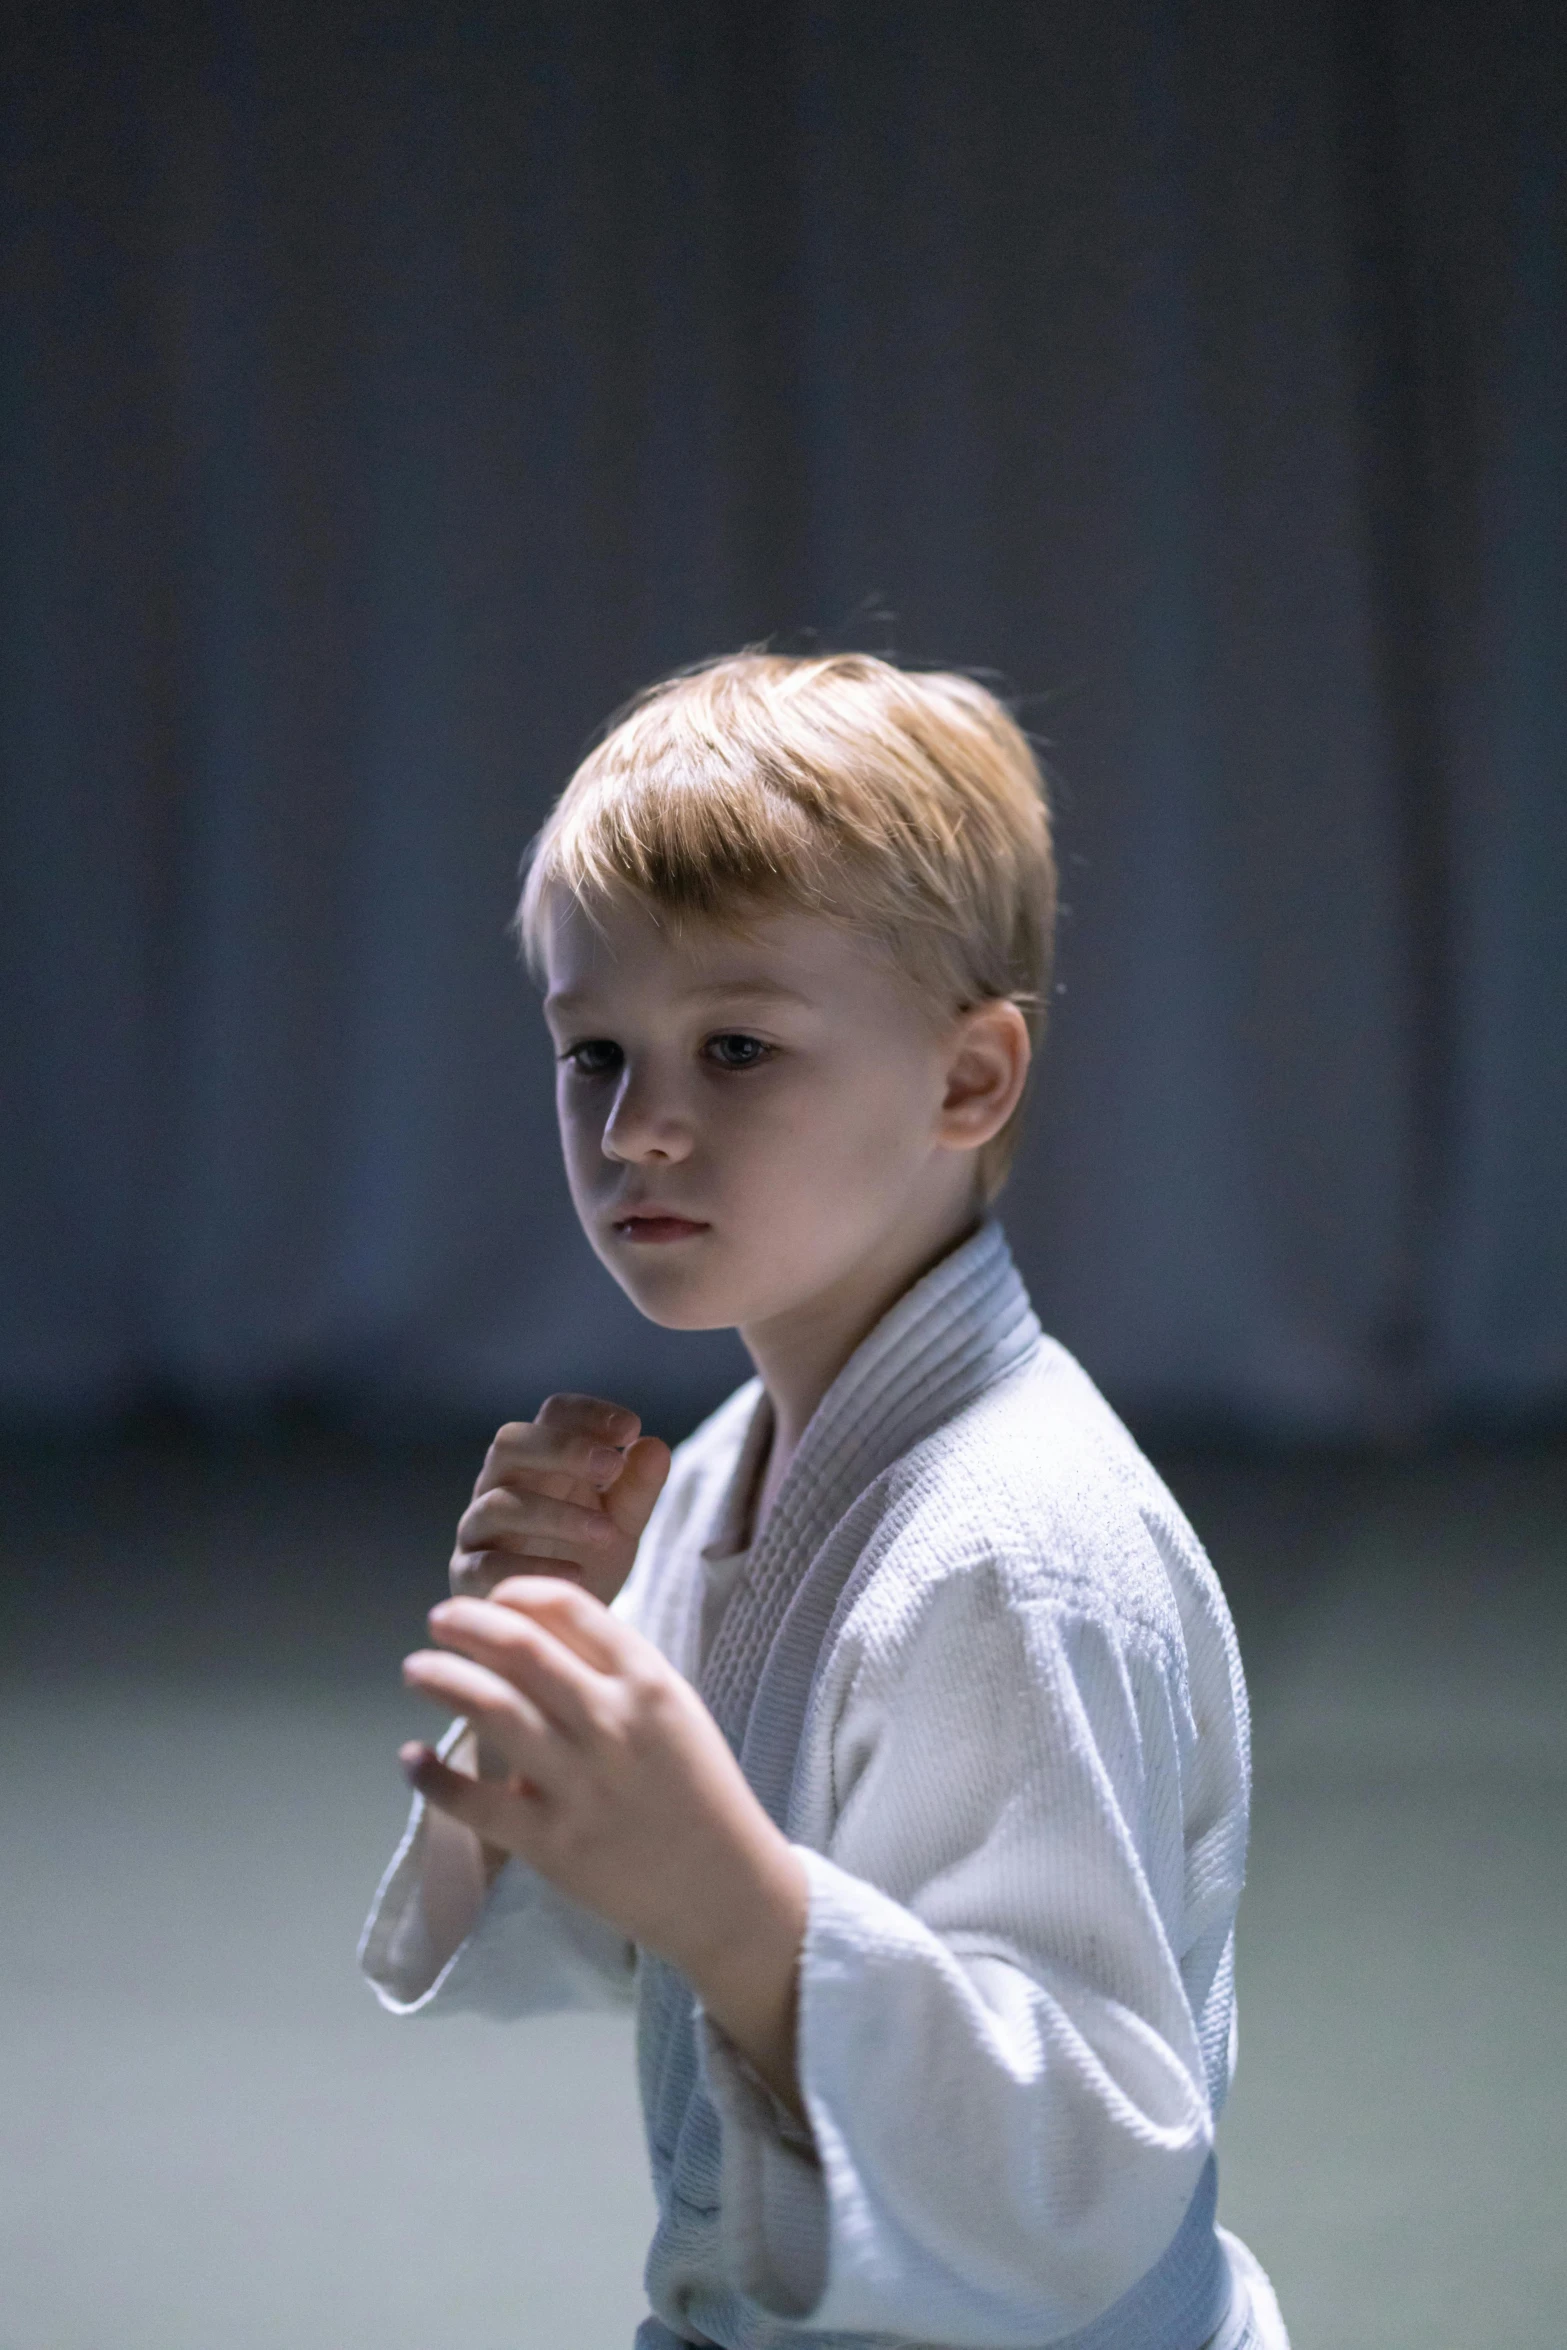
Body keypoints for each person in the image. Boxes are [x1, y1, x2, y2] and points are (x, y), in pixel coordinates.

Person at [360, 651, 1290, 2350]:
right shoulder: (725, 1465)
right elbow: (606, 1915)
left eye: (734, 1045)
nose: (639, 1125)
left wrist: (732, 1898)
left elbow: (1085, 2171)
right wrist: (535, 1705)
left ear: (965, 1081)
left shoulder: (1019, 1549)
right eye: (592, 1053)